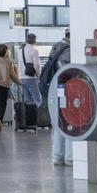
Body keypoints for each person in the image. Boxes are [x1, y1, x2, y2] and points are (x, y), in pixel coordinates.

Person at [42, 31, 73, 166]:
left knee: (58, 122)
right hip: (66, 89)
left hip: (55, 88)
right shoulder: (68, 51)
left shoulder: (56, 48)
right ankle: (70, 157)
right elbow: (69, 71)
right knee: (70, 121)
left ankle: (57, 156)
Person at [18, 33, 42, 109]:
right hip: (31, 78)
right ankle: (37, 115)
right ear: (35, 40)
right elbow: (37, 65)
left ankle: (29, 115)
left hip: (21, 77)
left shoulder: (20, 50)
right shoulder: (34, 50)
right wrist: (39, 76)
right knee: (37, 100)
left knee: (27, 101)